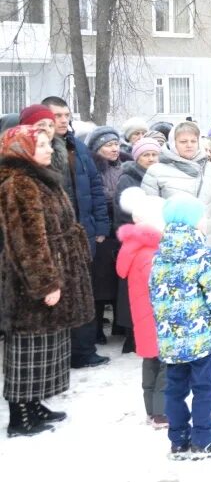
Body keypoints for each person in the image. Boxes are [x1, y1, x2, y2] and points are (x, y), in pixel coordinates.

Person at [0, 126, 94, 437]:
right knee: (28, 346)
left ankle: (34, 404)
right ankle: (20, 416)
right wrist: (45, 283)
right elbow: (28, 240)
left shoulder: (41, 177)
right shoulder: (19, 183)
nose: (48, 149)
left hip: (54, 268)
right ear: (21, 150)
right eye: (40, 145)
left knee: (46, 344)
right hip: (31, 281)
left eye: (47, 144)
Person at [150, 195, 211, 460]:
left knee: (174, 390)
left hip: (171, 341)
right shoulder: (203, 255)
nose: (204, 221)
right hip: (202, 340)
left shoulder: (159, 255)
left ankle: (178, 440)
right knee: (203, 389)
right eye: (201, 217)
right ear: (191, 220)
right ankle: (204, 438)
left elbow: (154, 295)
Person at [36, 98, 111, 370]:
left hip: (84, 233)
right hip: (55, 237)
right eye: (57, 115)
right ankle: (58, 356)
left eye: (67, 114)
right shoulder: (38, 150)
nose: (63, 120)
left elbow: (95, 187)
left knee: (84, 293)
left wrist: (100, 226)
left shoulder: (78, 146)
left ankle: (83, 351)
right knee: (56, 295)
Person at [141, 121, 211, 269]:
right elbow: (149, 216)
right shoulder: (156, 171)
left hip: (209, 248)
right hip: (173, 253)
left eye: (193, 141)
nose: (189, 145)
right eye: (183, 141)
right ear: (174, 143)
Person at [116, 187, 167, 428]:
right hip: (158, 315)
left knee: (151, 359)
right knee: (165, 363)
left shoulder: (134, 247)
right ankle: (161, 413)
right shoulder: (150, 252)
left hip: (144, 316)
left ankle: (151, 409)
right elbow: (159, 286)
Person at [86, 126, 124, 347]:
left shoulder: (123, 166)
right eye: (109, 145)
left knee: (119, 280)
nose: (114, 149)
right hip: (102, 231)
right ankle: (98, 327)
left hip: (121, 229)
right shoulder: (92, 168)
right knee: (100, 283)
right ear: (98, 148)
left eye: (116, 144)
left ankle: (120, 323)